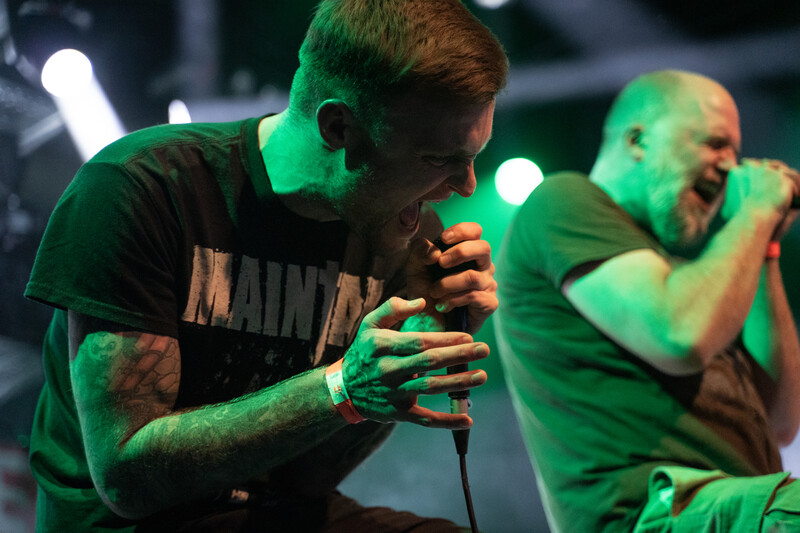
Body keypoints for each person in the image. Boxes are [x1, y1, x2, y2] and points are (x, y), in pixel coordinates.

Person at [24, 1, 508, 531]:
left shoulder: (396, 229)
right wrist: (340, 389)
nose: (467, 186)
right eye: (439, 159)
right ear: (339, 127)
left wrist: (414, 347)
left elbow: (310, 478)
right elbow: (128, 481)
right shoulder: (142, 187)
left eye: (472, 157)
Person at [494, 69, 800, 532]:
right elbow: (679, 337)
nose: (731, 167)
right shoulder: (562, 200)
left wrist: (766, 243)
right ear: (638, 140)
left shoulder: (688, 272)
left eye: (735, 151)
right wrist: (756, 211)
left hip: (738, 505)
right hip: (652, 514)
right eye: (715, 143)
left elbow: (780, 420)